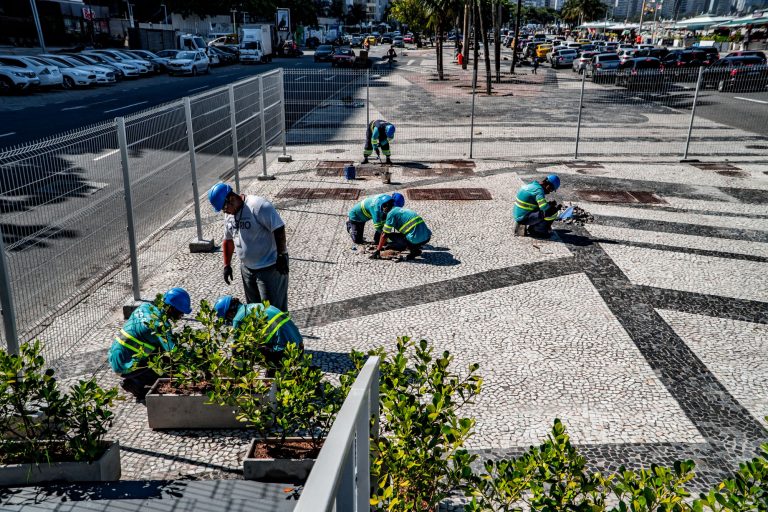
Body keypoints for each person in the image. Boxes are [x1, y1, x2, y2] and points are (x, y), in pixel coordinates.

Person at [208, 182, 289, 312]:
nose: (224, 211)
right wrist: (226, 265)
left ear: (231, 199)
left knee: (274, 311)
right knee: (254, 311)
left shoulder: (258, 206)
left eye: (224, 207)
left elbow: (278, 228)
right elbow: (228, 240)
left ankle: (281, 332)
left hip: (270, 267)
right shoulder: (229, 215)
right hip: (247, 270)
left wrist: (281, 255)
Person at [108, 287, 192, 399]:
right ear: (171, 309)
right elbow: (175, 353)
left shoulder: (146, 306)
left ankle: (138, 376)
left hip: (115, 356)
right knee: (168, 367)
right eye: (181, 312)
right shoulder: (160, 327)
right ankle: (135, 383)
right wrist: (196, 357)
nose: (182, 316)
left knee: (160, 350)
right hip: (124, 366)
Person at [214, 295, 303, 372]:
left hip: (285, 355)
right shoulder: (255, 306)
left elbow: (237, 349)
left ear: (229, 313)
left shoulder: (238, 319)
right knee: (254, 342)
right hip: (299, 349)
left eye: (227, 319)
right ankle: (274, 369)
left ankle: (248, 375)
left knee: (244, 349)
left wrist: (237, 372)